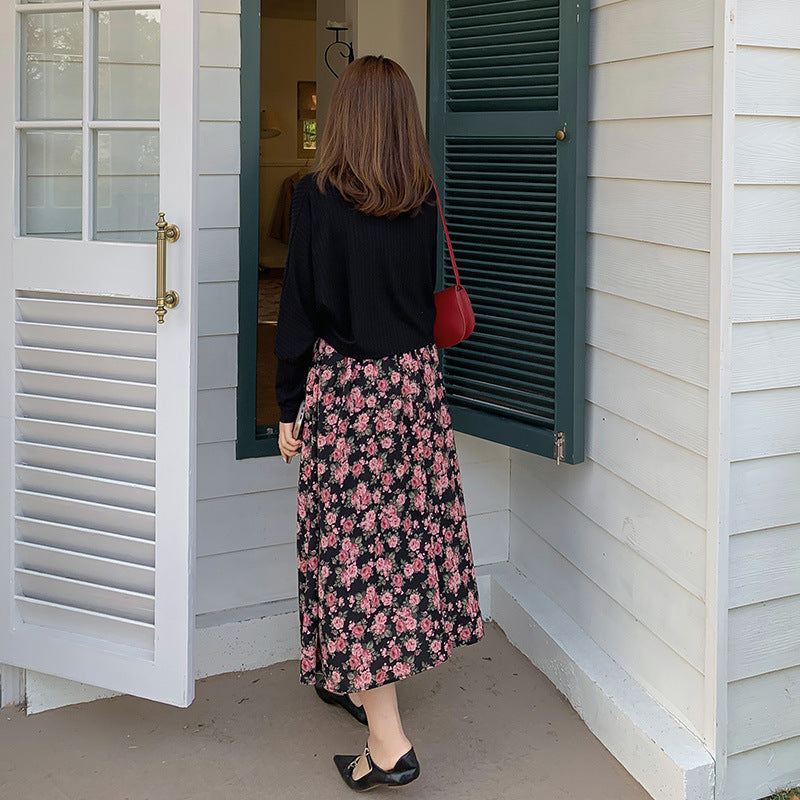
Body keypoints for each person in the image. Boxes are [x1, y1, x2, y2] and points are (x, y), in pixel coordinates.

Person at [274, 54, 485, 792]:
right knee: (395, 553)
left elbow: (299, 310)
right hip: (416, 394)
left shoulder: (316, 198)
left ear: (345, 117)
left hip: (351, 398)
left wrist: (286, 402)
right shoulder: (421, 197)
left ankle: (389, 742)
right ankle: (360, 692)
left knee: (353, 561)